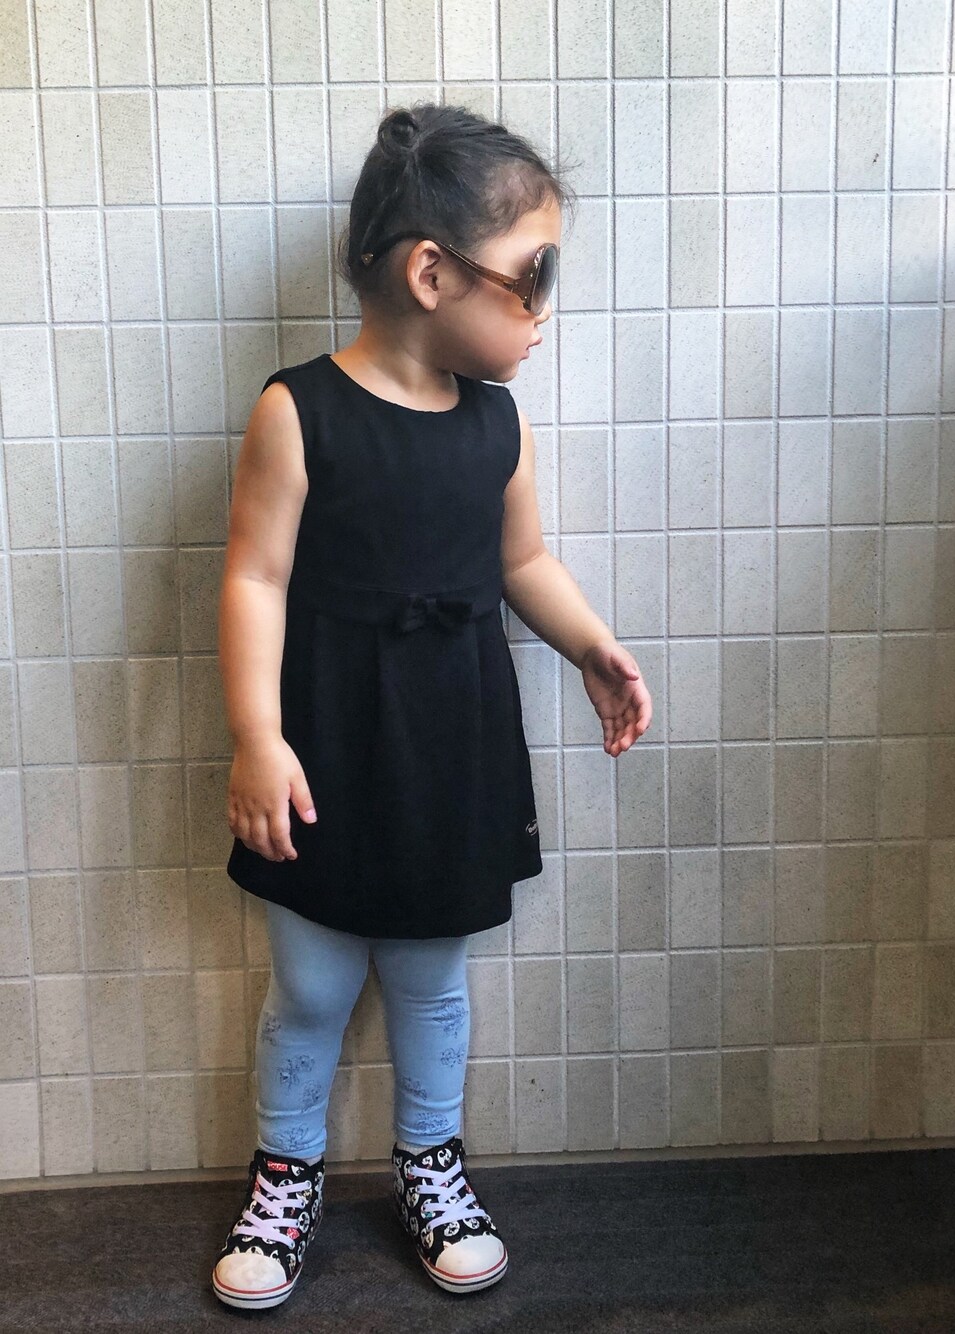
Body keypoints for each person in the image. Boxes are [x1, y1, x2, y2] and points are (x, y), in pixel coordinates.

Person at [211, 101, 653, 1311]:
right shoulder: (297, 410)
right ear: (430, 272)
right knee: (311, 983)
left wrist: (590, 645)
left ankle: (430, 1163)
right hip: (322, 745)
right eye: (533, 276)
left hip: (452, 745)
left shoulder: (497, 424)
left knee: (427, 981)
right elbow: (253, 576)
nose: (544, 310)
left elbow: (523, 561)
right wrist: (257, 736)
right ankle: (286, 1170)